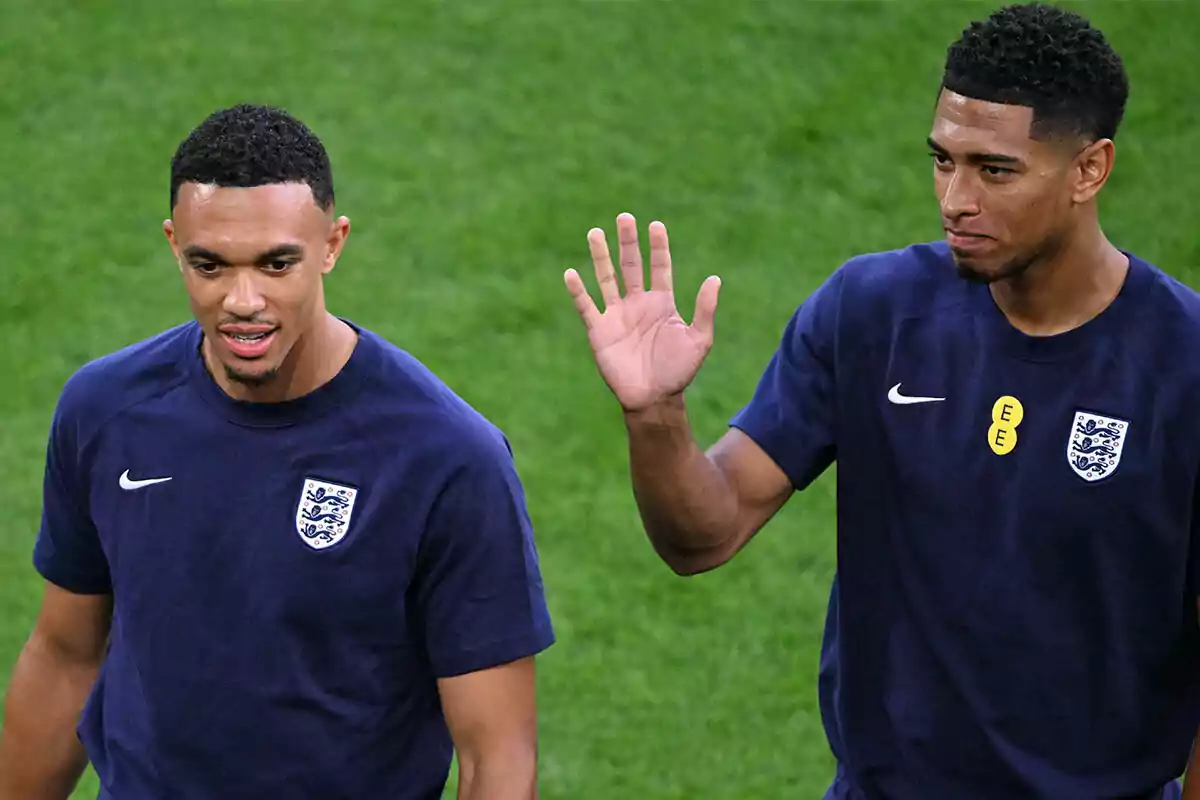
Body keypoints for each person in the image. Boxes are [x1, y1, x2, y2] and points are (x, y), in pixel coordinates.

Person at [565, 3, 1200, 798]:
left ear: (1089, 169)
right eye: (942, 160)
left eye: (993, 169)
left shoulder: (1184, 366)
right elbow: (705, 534)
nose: (955, 198)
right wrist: (655, 415)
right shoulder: (871, 312)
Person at [0, 103, 555, 800]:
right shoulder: (105, 410)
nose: (242, 300)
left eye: (276, 263)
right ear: (174, 244)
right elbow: (65, 655)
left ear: (332, 243)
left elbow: (496, 756)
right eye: (209, 265)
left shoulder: (448, 457)